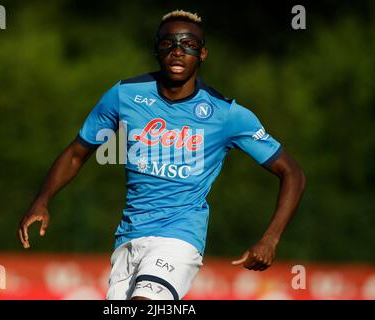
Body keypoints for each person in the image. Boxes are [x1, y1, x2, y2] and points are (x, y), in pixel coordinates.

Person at [18, 10, 306, 300]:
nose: (178, 51)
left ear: (203, 53)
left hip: (179, 238)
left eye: (189, 44)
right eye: (169, 43)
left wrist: (270, 239)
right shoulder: (124, 95)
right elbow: (76, 154)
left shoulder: (226, 114)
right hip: (128, 239)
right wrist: (42, 200)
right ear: (156, 49)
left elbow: (292, 172)